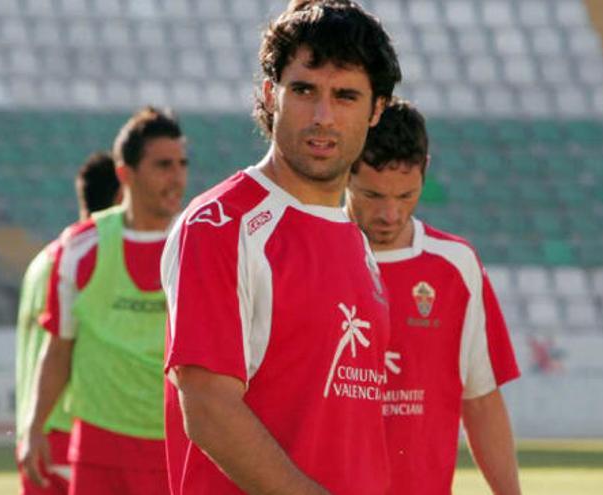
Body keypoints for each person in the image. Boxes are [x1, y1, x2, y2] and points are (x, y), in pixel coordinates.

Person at [160, 1, 401, 493]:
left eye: (346, 96)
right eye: (304, 90)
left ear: (376, 109)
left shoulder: (352, 235)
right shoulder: (221, 225)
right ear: (272, 94)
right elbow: (208, 409)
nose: (323, 116)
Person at [345, 99, 522, 494]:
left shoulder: (455, 265)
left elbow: (481, 400)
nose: (390, 213)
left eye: (406, 195)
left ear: (425, 169)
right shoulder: (313, 255)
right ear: (345, 173)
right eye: (372, 195)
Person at [19, 107, 188, 495]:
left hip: (177, 447)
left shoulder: (199, 243)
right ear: (124, 174)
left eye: (182, 163)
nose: (177, 177)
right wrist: (34, 426)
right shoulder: (80, 247)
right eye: (163, 165)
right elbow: (59, 347)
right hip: (98, 451)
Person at [15, 151, 120, 495]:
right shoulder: (87, 263)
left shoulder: (42, 261)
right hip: (74, 431)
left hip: (34, 429)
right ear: (122, 196)